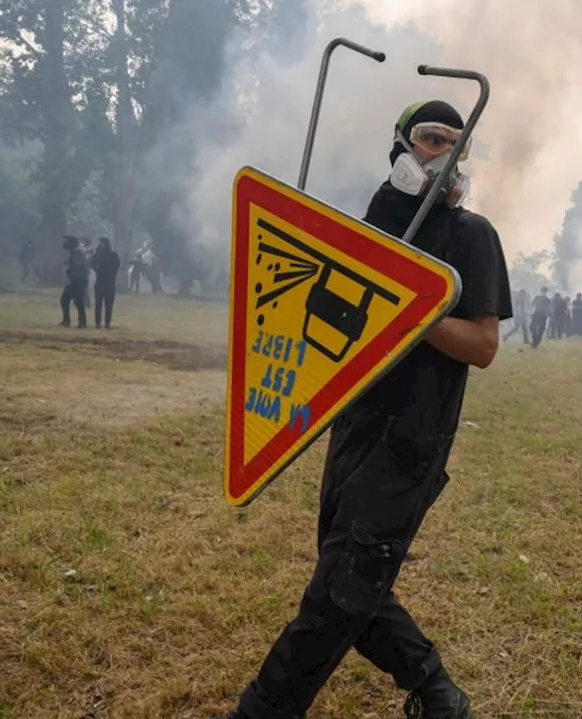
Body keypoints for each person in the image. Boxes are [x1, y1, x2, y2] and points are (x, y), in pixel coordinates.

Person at [216, 99, 510, 719]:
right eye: (433, 139)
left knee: (342, 589)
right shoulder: (375, 218)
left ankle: (262, 709)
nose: (446, 154)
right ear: (402, 146)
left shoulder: (473, 235)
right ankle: (438, 694)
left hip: (415, 437)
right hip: (351, 424)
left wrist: (414, 308)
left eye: (458, 144)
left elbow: (483, 346)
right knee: (350, 580)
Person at [91, 237, 121, 329]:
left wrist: (101, 270)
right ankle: (99, 323)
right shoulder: (100, 255)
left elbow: (116, 267)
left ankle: (106, 322)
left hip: (107, 282)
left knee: (107, 305)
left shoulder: (112, 255)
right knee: (99, 304)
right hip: (103, 282)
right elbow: (92, 264)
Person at [60, 235, 89, 328]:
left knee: (74, 301)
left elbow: (77, 266)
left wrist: (68, 271)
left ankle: (79, 323)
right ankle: (70, 321)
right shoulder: (74, 252)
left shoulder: (75, 252)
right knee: (69, 300)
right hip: (75, 280)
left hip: (77, 280)